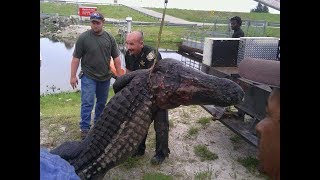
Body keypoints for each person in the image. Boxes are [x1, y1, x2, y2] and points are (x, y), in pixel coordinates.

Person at [70, 11, 123, 140]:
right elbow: (76, 58)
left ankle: (98, 125)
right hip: (88, 76)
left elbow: (116, 58)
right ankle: (85, 128)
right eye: (93, 22)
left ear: (103, 23)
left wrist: (120, 76)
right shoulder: (83, 38)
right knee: (87, 102)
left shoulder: (109, 38)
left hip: (105, 77)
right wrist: (72, 76)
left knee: (101, 103)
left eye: (97, 23)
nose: (95, 25)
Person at [125, 31, 170, 165]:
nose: (128, 47)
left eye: (131, 44)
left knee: (161, 125)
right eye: (127, 43)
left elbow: (156, 78)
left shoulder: (152, 54)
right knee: (140, 125)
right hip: (141, 96)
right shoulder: (128, 54)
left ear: (141, 43)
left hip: (158, 96)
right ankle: (139, 149)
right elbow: (128, 74)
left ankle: (161, 153)